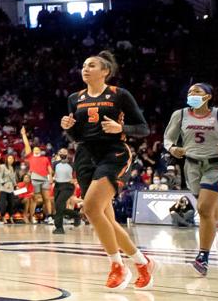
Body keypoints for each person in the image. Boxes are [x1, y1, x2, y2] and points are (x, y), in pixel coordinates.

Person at [61, 51, 154, 289]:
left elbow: (143, 128)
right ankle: (142, 262)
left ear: (105, 72)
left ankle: (117, 266)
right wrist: (69, 128)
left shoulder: (119, 94)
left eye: (91, 65)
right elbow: (77, 136)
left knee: (91, 208)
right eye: (83, 65)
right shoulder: (75, 98)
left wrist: (120, 127)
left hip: (113, 153)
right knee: (107, 221)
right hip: (84, 156)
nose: (85, 68)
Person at [162, 82, 218, 275]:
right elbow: (168, 139)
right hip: (191, 166)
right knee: (211, 212)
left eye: (197, 92)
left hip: (217, 165)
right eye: (190, 91)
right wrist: (172, 148)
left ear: (208, 96)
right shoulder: (180, 115)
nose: (192, 94)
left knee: (204, 209)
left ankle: (203, 257)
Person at [21, 126, 53, 223]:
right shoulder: (30, 157)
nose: (36, 150)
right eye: (34, 149)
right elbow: (27, 145)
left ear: (40, 151)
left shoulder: (45, 158)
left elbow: (49, 169)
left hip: (44, 179)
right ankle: (31, 216)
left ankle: (50, 216)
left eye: (38, 149)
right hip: (34, 179)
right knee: (34, 198)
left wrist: (50, 176)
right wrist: (23, 135)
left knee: (46, 198)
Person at [51, 147, 77, 233]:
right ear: (58, 153)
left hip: (68, 186)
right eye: (61, 152)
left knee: (59, 204)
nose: (62, 153)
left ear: (67, 153)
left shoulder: (72, 164)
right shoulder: (55, 164)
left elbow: (78, 174)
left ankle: (59, 228)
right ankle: (76, 215)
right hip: (57, 186)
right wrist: (51, 178)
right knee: (59, 206)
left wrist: (75, 180)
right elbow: (51, 173)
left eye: (64, 152)